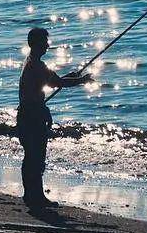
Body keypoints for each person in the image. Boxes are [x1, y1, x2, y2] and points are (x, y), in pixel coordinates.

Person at [17, 27, 92, 209]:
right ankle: (36, 197)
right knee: (36, 158)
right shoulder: (37, 66)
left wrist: (72, 77)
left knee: (31, 158)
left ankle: (31, 195)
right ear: (35, 44)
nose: (47, 45)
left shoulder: (30, 62)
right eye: (45, 42)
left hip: (26, 116)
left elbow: (53, 80)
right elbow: (58, 82)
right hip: (33, 117)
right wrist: (81, 81)